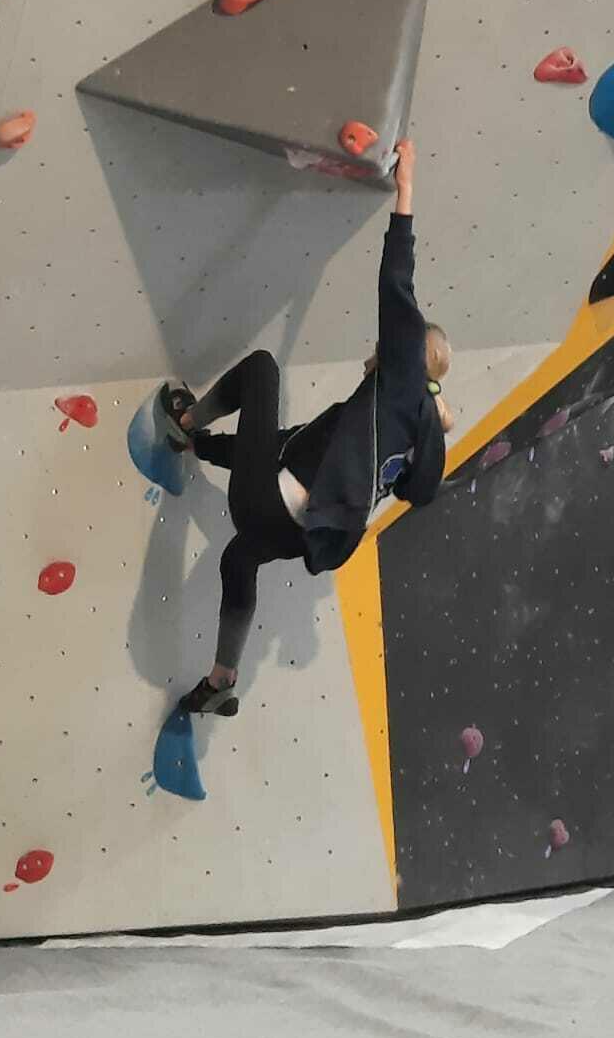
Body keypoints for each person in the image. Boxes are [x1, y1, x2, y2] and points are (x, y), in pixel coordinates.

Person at [160, 138, 453, 718]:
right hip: (302, 535)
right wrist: (207, 451)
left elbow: (397, 282)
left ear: (407, 356)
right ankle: (221, 680)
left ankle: (181, 420)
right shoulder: (405, 430)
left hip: (270, 506)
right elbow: (277, 447)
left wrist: (406, 187)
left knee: (262, 371)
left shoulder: (401, 381)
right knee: (239, 559)